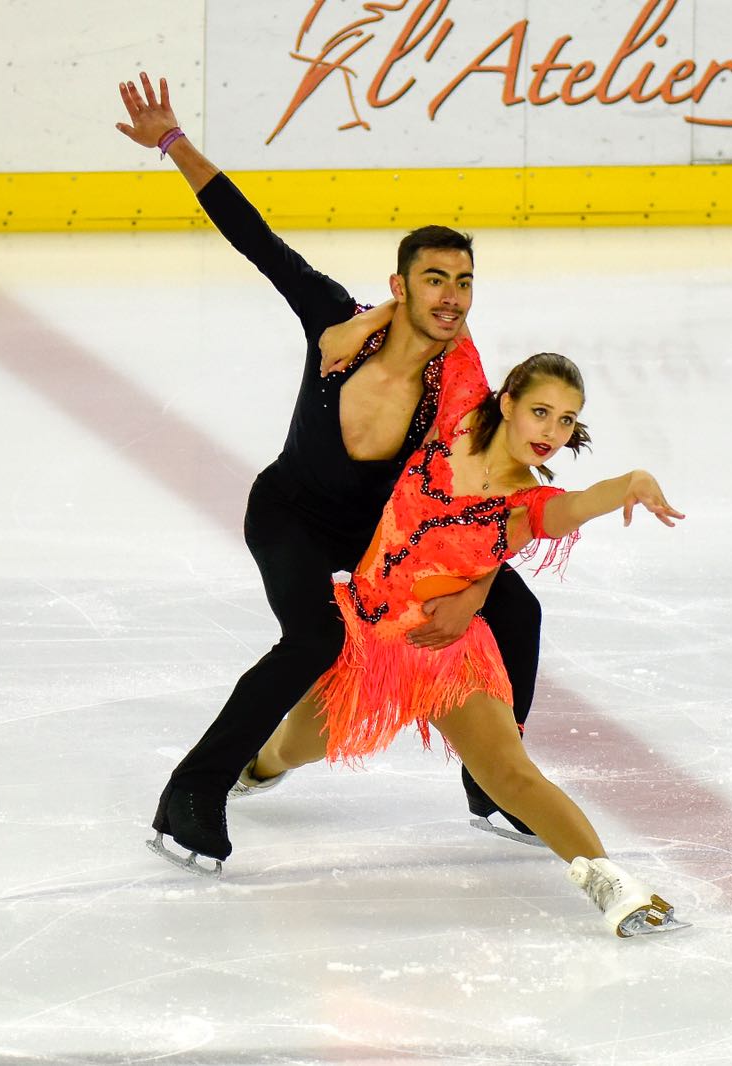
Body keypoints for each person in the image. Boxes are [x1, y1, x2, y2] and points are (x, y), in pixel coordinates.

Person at [115, 72, 545, 869]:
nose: (452, 298)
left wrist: (479, 587)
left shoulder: (463, 383)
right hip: (290, 515)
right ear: (399, 286)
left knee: (518, 614)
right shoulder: (334, 317)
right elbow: (254, 237)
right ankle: (192, 794)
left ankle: (493, 780)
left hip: (386, 533)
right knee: (311, 636)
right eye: (434, 280)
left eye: (463, 282)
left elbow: (487, 496)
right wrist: (174, 144)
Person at [244, 312, 691, 937]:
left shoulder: (525, 504)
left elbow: (571, 509)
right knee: (293, 746)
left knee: (511, 772)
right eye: (541, 412)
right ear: (506, 402)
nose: (552, 432)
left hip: (449, 654)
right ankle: (256, 767)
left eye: (566, 421)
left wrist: (628, 484)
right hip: (370, 646)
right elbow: (444, 320)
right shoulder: (456, 411)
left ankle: (613, 885)